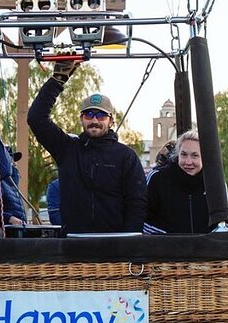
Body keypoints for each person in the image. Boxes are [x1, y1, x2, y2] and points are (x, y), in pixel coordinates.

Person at [27, 59, 147, 234]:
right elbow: (36, 118)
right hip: (73, 244)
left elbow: (137, 203)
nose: (94, 120)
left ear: (111, 120)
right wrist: (57, 81)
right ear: (81, 119)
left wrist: (128, 243)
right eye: (89, 114)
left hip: (115, 245)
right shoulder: (66, 149)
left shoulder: (126, 156)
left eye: (101, 115)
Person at [144, 130, 211, 234]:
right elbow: (143, 219)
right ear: (177, 155)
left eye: (195, 156)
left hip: (203, 248)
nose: (188, 162)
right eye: (184, 155)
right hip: (166, 248)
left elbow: (220, 223)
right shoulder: (158, 179)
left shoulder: (213, 183)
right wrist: (170, 240)